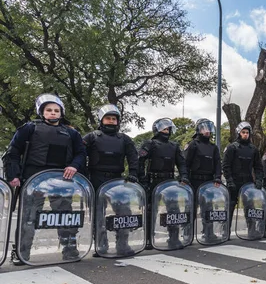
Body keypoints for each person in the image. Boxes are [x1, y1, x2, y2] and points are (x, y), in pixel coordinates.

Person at [4, 93, 86, 264]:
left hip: (62, 180)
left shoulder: (71, 133)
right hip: (33, 179)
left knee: (66, 216)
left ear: (61, 113)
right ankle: (21, 252)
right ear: (42, 112)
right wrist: (14, 176)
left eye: (56, 110)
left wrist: (74, 166)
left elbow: (80, 154)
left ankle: (69, 249)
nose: (53, 113)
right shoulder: (29, 128)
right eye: (49, 110)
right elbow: (12, 153)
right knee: (28, 216)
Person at [82, 104, 139, 256]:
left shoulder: (124, 138)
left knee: (124, 212)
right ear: (101, 120)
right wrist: (82, 173)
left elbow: (133, 156)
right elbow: (79, 153)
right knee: (98, 215)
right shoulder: (92, 136)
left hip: (117, 181)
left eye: (114, 119)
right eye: (108, 118)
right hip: (96, 178)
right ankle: (101, 246)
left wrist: (133, 172)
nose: (111, 121)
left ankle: (123, 245)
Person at [138, 118, 189, 250]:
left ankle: (174, 238)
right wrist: (142, 178)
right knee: (150, 210)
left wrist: (183, 176)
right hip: (153, 180)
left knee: (174, 209)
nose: (166, 131)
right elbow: (140, 160)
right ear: (157, 130)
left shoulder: (174, 146)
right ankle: (149, 239)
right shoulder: (150, 144)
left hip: (170, 182)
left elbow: (182, 163)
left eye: (168, 129)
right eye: (163, 129)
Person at [222, 121, 264, 231]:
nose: (245, 134)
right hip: (234, 181)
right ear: (239, 133)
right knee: (230, 205)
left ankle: (252, 229)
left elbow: (258, 167)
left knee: (250, 205)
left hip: (248, 181)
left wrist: (259, 179)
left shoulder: (253, 149)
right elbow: (226, 166)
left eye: (247, 132)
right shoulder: (232, 147)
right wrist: (229, 180)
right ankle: (225, 231)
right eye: (243, 132)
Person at [185, 118, 222, 241]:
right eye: (204, 128)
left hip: (208, 182)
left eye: (209, 129)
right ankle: (187, 235)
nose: (207, 131)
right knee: (191, 208)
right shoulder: (193, 144)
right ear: (199, 130)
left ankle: (209, 233)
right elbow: (186, 163)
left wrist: (217, 177)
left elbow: (218, 164)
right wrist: (185, 177)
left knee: (208, 209)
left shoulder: (213, 147)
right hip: (194, 180)